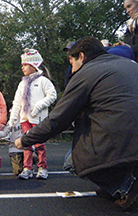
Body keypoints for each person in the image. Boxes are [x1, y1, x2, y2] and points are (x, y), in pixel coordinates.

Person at [15, 36, 138, 210]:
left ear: (81, 56)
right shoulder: (130, 65)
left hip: (122, 140)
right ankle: (120, 181)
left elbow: (59, 118)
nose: (71, 70)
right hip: (131, 138)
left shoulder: (87, 73)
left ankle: (124, 186)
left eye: (71, 62)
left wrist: (25, 140)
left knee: (72, 161)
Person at [9, 48, 57, 180]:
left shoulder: (43, 81)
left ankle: (42, 167)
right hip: (25, 119)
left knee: (39, 144)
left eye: (25, 65)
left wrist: (37, 107)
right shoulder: (22, 83)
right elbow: (17, 102)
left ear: (33, 65)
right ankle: (27, 168)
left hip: (39, 119)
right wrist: (12, 119)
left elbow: (52, 96)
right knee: (26, 144)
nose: (22, 68)